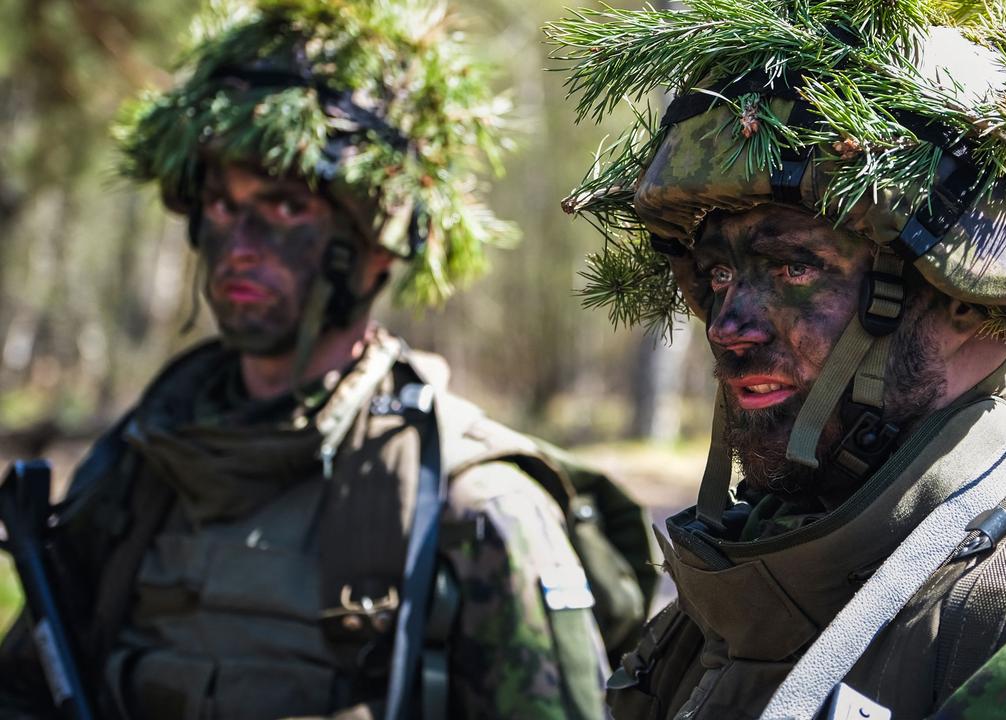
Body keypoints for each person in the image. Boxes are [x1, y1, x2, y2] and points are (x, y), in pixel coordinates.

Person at [549, 1, 1006, 718]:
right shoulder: (722, 605)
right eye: (720, 277)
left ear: (963, 299)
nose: (728, 327)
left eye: (793, 271)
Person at [0, 2, 655, 718]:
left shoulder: (472, 504)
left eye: (284, 208)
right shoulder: (141, 464)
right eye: (220, 206)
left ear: (376, 244)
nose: (240, 243)